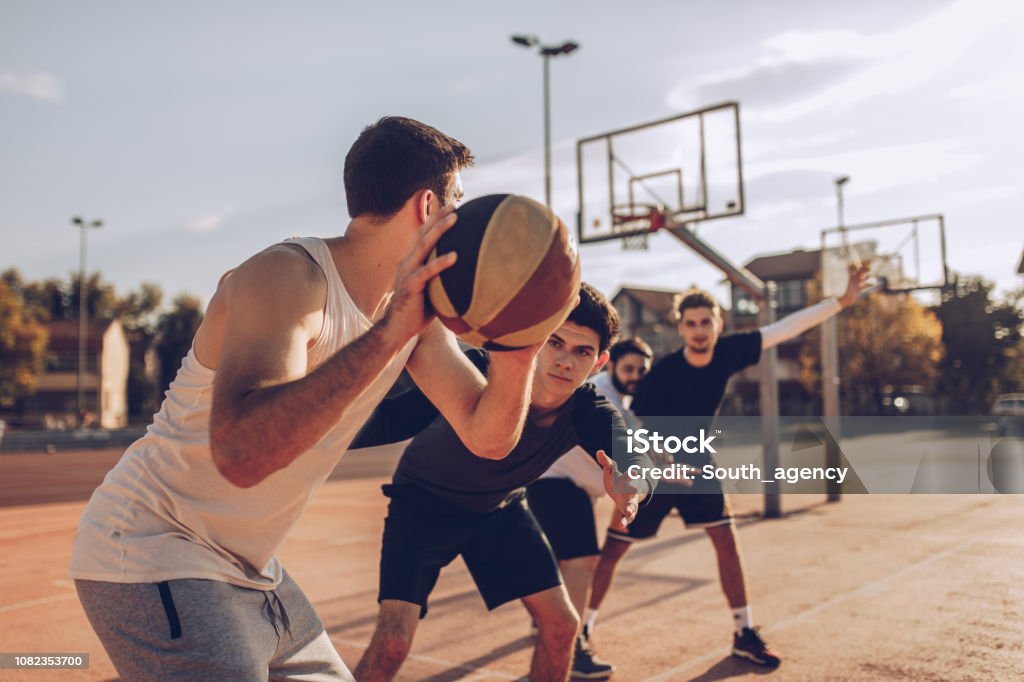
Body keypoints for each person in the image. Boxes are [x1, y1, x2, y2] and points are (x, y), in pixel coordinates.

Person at [68, 116, 543, 681]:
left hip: (251, 567)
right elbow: (243, 454)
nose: (459, 221)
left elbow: (488, 436)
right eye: (455, 203)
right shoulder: (287, 277)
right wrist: (389, 332)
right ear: (426, 206)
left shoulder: (413, 313)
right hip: (153, 547)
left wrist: (520, 347)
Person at [352, 284, 653, 682]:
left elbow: (634, 456)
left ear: (598, 364)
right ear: (533, 340)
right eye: (555, 342)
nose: (564, 361)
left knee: (563, 626)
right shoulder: (478, 370)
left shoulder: (588, 409)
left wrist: (634, 485)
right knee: (393, 642)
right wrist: (314, 430)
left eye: (581, 352)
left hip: (499, 507)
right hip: (422, 504)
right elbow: (389, 419)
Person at [587, 267, 870, 668]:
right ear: (681, 328)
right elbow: (637, 424)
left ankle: (743, 632)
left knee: (726, 541)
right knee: (615, 548)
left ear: (718, 324)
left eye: (706, 322)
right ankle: (582, 630)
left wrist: (840, 301)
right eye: (691, 324)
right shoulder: (664, 372)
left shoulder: (729, 351)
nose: (699, 330)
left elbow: (784, 329)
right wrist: (656, 458)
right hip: (657, 466)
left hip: (698, 462)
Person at [526, 336, 654, 678]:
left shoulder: (623, 404)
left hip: (563, 485)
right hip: (555, 480)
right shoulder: (599, 394)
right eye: (629, 368)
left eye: (642, 370)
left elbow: (638, 445)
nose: (636, 375)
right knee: (583, 563)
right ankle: (572, 646)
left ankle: (552, 630)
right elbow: (622, 443)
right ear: (609, 364)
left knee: (566, 563)